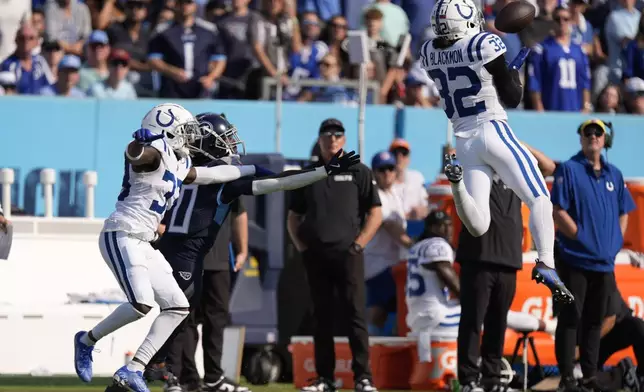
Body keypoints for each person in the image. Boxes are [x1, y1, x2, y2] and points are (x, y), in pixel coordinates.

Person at [144, 113, 362, 392]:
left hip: (174, 253)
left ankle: (160, 370)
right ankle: (156, 371)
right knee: (176, 314)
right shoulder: (219, 176)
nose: (232, 144)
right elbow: (278, 182)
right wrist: (322, 171)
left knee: (178, 314)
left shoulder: (181, 167)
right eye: (226, 139)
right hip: (183, 255)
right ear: (210, 142)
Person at [71, 103, 267, 392]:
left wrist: (252, 170)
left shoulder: (179, 161)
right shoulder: (153, 152)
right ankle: (86, 340)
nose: (189, 137)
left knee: (178, 306)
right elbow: (136, 154)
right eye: (184, 131)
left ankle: (134, 370)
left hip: (146, 241)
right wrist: (140, 142)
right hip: (122, 233)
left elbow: (213, 176)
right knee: (141, 304)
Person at [419, 0, 573, 304]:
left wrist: (499, 72)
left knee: (478, 225)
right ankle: (546, 262)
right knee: (540, 196)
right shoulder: (484, 43)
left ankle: (456, 182)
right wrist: (511, 72)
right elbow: (512, 97)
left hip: (463, 141)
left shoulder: (428, 52)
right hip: (492, 129)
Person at [406, 210, 556, 389]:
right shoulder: (438, 245)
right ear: (430, 228)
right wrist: (471, 299)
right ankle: (547, 326)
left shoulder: (416, 247)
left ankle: (544, 326)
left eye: (448, 224)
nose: (446, 229)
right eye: (440, 226)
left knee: (489, 313)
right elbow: (449, 277)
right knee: (493, 314)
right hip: (438, 317)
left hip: (419, 316)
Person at [287, 118, 382, 392]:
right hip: (316, 255)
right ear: (320, 139)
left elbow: (375, 212)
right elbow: (293, 217)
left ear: (344, 139)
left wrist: (359, 244)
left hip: (349, 254)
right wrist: (302, 247)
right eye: (327, 134)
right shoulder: (308, 173)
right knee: (322, 317)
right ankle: (325, 378)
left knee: (355, 315)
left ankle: (363, 377)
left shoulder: (358, 170)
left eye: (337, 134)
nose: (332, 139)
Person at [455, 142, 557, 392]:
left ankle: (492, 378)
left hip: (508, 260)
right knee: (472, 321)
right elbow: (457, 156)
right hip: (477, 258)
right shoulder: (476, 168)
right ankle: (468, 380)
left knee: (497, 323)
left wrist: (517, 144)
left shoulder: (517, 173)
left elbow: (548, 166)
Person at [550, 119, 635, 391]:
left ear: (604, 139)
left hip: (603, 263)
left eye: (598, 132)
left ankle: (589, 375)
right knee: (570, 318)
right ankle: (566, 377)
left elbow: (625, 211)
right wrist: (579, 236)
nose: (593, 136)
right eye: (588, 132)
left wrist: (615, 241)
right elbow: (558, 210)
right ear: (581, 138)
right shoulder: (570, 169)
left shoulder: (615, 174)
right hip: (574, 259)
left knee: (595, 322)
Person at [364, 151, 412, 335]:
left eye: (390, 168)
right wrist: (415, 248)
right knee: (379, 311)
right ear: (374, 172)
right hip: (378, 264)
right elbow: (392, 228)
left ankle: (379, 346)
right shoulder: (375, 195)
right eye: (382, 169)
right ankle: (371, 347)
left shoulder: (395, 193)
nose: (387, 173)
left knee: (387, 310)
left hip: (392, 262)